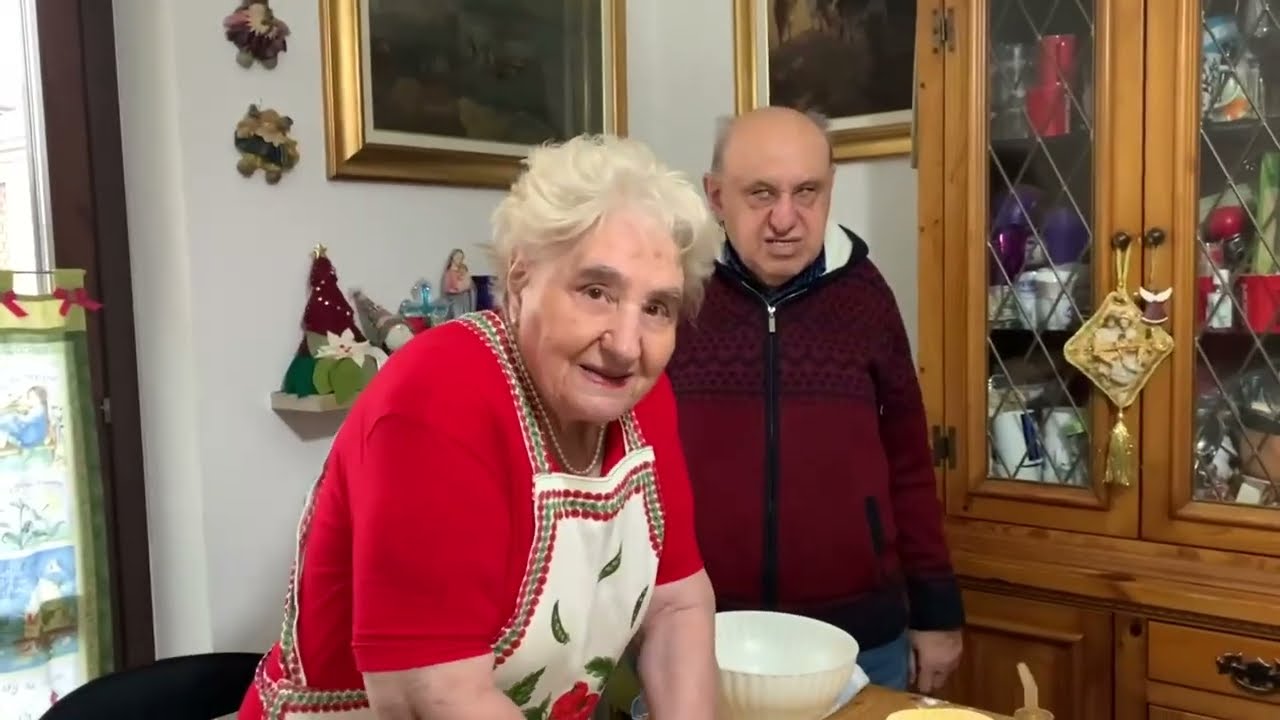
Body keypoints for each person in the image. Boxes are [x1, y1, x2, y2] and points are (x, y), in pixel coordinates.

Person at [239, 134, 723, 720]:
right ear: (520, 281)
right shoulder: (437, 399)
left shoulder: (638, 398)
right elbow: (435, 697)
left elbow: (677, 608)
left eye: (656, 309)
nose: (626, 346)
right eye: (596, 292)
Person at [664, 107, 965, 693]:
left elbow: (909, 466)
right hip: (701, 636)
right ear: (716, 196)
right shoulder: (673, 297)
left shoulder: (868, 297)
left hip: (858, 640)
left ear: (831, 188)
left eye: (807, 192)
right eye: (760, 194)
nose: (785, 219)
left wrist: (937, 612)